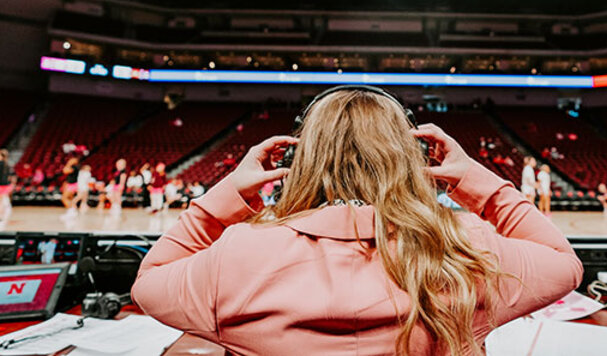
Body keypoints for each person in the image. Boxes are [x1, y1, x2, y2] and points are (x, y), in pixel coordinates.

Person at [132, 87, 582, 355]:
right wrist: (479, 183)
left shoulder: (236, 253)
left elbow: (148, 282)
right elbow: (565, 263)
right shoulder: (467, 248)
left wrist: (225, 197)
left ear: (297, 160)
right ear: (411, 159)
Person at [0, 150, 15, 222]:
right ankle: (3, 215)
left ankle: (1, 216)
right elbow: (11, 176)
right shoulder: (8, 164)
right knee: (3, 201)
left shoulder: (1, 164)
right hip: (6, 185)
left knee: (1, 202)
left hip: (1, 185)